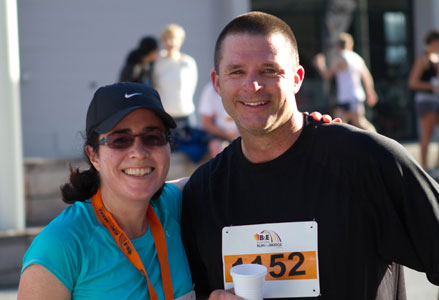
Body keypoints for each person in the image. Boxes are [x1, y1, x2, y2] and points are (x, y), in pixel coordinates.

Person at [181, 11, 439, 300]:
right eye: (237, 71)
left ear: (297, 78)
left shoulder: (369, 160)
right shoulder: (203, 192)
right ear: (217, 83)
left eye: (269, 70)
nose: (252, 85)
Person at [17, 82, 194, 299]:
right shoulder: (61, 245)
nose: (138, 152)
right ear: (94, 156)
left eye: (153, 137)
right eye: (120, 140)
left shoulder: (174, 205)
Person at [314, 32, 378, 132]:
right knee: (346, 123)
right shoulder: (357, 58)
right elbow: (367, 77)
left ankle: (376, 140)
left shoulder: (340, 58)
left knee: (353, 123)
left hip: (346, 97)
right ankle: (374, 140)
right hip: (355, 96)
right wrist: (370, 92)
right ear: (350, 44)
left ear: (338, 46)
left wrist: (320, 65)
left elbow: (327, 75)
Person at [152, 23, 198, 127]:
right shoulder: (158, 62)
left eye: (173, 38)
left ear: (180, 40)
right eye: (166, 39)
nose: (170, 42)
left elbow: (192, 86)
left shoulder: (188, 62)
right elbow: (154, 84)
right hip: (165, 115)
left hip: (185, 114)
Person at [408, 30, 439, 176]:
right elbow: (413, 82)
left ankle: (435, 166)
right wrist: (431, 86)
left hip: (436, 99)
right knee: (427, 133)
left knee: (433, 133)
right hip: (426, 101)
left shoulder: (435, 58)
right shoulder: (423, 59)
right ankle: (424, 167)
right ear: (433, 42)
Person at [198, 81, 239, 157]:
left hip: (245, 133)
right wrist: (227, 134)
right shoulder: (210, 90)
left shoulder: (245, 87)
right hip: (220, 135)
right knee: (217, 148)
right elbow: (206, 124)